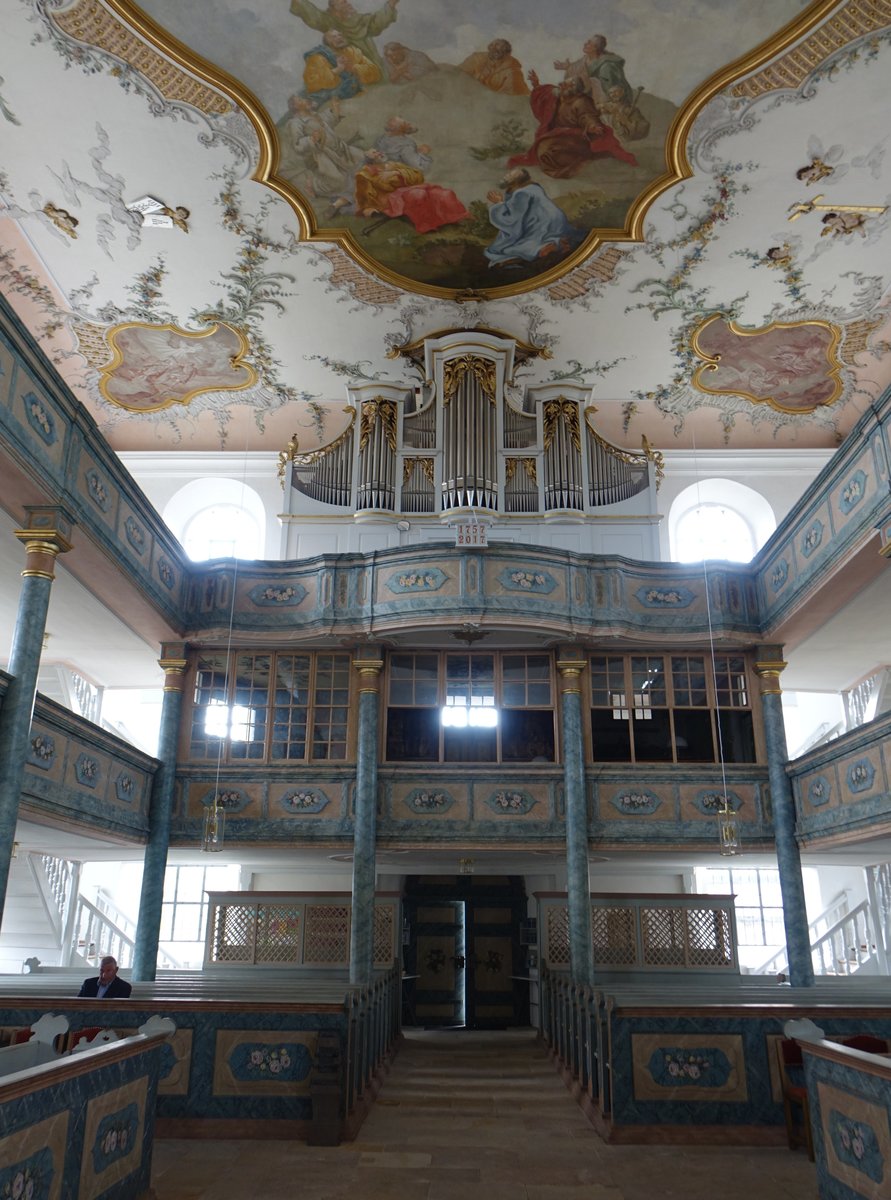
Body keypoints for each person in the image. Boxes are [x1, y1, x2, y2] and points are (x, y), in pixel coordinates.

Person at [509, 72, 637, 180]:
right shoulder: (560, 97)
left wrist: (592, 126)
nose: (560, 85)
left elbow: (587, 116)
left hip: (576, 138)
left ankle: (574, 167)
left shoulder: (581, 102)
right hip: (558, 135)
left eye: (564, 84)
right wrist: (536, 84)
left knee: (550, 152)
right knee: (543, 149)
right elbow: (544, 95)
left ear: (573, 88)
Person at [485, 167, 580, 266]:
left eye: (510, 176)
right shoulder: (533, 187)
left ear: (516, 181)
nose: (506, 176)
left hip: (542, 225)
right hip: (556, 222)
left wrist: (499, 203)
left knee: (501, 250)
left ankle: (549, 246)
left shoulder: (521, 193)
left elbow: (512, 220)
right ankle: (553, 242)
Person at [290, 0, 398, 75]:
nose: (348, 3)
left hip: (374, 66)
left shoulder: (361, 20)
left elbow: (377, 21)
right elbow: (313, 14)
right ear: (334, 8)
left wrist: (390, 4)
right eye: (343, 2)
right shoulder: (329, 22)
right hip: (351, 72)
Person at [303, 29, 381, 104]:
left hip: (358, 94)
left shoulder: (353, 51)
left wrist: (354, 68)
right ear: (327, 42)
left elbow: (374, 71)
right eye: (334, 37)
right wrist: (338, 70)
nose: (339, 38)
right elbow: (312, 82)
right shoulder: (317, 57)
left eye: (340, 35)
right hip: (333, 101)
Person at [555, 35, 633, 105]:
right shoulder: (586, 59)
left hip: (605, 103)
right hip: (588, 98)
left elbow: (613, 90)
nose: (585, 44)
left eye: (589, 43)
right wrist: (568, 67)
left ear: (595, 48)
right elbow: (577, 67)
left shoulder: (607, 66)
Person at [460, 38, 528, 95]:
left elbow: (510, 97)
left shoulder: (513, 71)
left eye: (500, 50)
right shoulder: (477, 58)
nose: (494, 49)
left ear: (507, 53)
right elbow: (458, 73)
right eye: (492, 47)